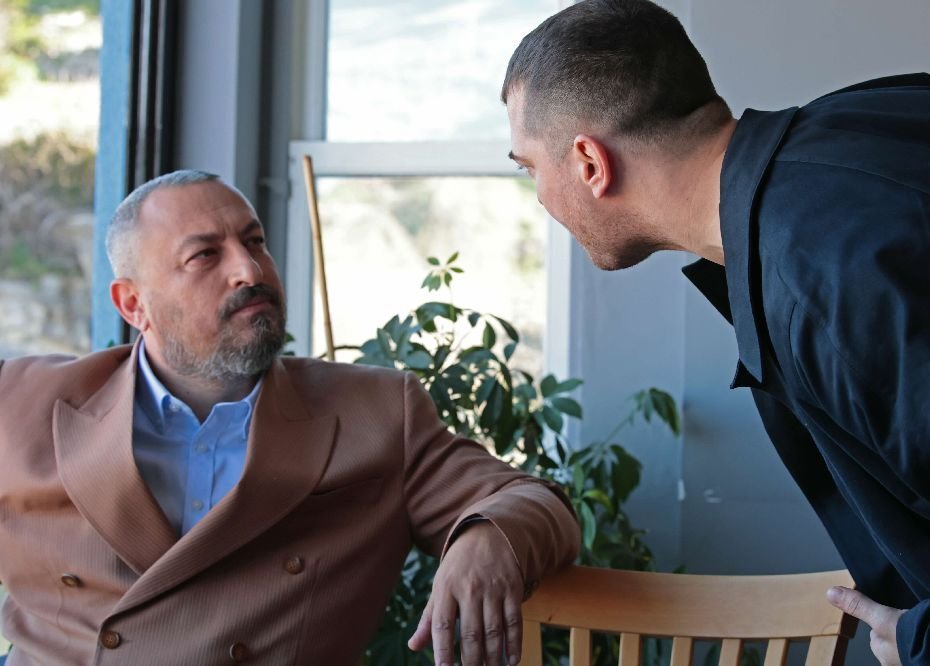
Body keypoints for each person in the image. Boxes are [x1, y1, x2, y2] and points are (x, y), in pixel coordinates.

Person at [502, 1, 930, 664]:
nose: (538, 195)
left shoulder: (817, 279)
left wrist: (928, 641)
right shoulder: (883, 108)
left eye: (529, 167)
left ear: (590, 162)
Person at [0, 170, 580, 665]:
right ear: (133, 305)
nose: (249, 271)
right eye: (205, 255)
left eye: (254, 242)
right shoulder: (23, 401)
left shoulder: (373, 413)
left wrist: (485, 536)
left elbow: (533, 502)